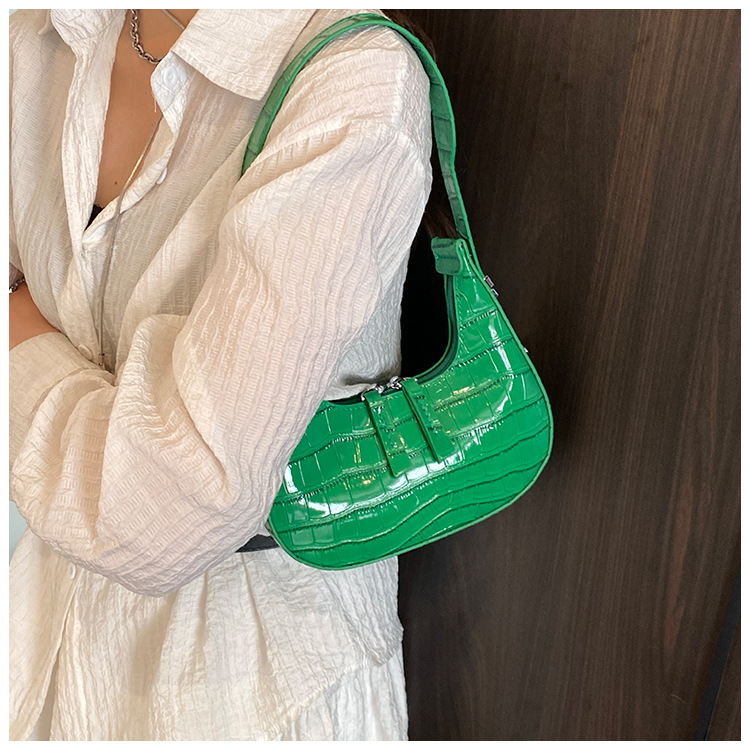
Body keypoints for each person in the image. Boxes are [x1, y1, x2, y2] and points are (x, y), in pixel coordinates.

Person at [9, 9, 434, 740]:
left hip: (253, 681)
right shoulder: (43, 31)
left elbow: (165, 511)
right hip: (47, 626)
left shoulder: (353, 79)